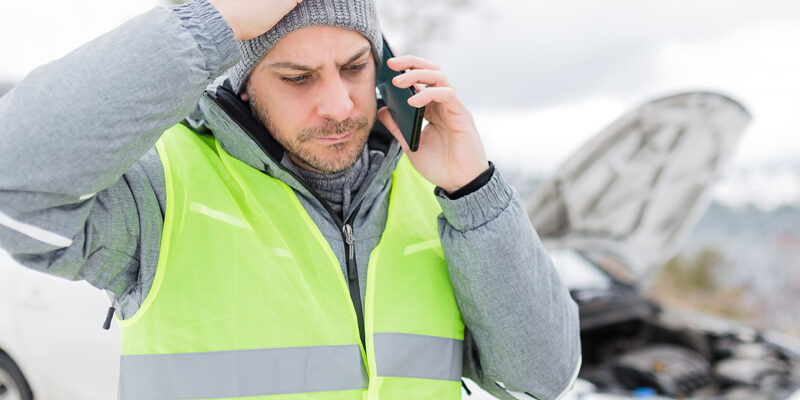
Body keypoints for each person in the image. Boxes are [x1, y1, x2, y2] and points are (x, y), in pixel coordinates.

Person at [0, 0, 581, 398]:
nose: (338, 104)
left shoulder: (434, 194)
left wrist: (474, 190)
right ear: (244, 84)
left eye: (354, 68)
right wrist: (212, 23)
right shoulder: (162, 190)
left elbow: (542, 379)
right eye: (298, 78)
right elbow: (14, 178)